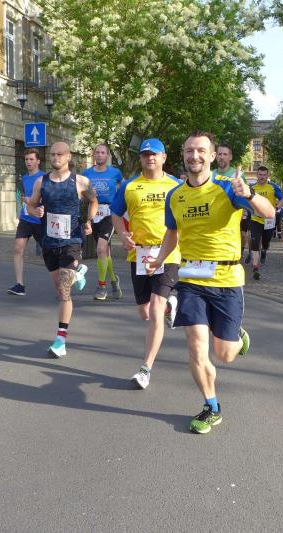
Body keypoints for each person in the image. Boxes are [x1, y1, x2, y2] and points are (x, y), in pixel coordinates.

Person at [145, 131, 275, 434]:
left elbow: (269, 213)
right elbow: (172, 232)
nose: (194, 156)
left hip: (226, 279)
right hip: (191, 279)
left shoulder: (228, 188)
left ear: (213, 156)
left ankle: (235, 335)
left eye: (201, 151)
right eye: (189, 150)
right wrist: (160, 258)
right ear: (183, 154)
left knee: (225, 354)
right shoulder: (175, 196)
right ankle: (211, 406)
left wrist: (249, 194)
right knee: (196, 346)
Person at [110, 138, 182, 390]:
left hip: (167, 252)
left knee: (155, 310)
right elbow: (115, 213)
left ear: (163, 158)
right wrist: (122, 234)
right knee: (145, 312)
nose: (150, 158)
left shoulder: (176, 185)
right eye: (145, 154)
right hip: (139, 254)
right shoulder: (130, 186)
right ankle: (171, 305)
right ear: (140, 158)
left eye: (154, 154)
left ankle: (145, 368)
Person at [27, 142, 97, 358]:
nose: (55, 157)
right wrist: (34, 211)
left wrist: (89, 220)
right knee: (59, 288)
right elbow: (31, 204)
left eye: (60, 154)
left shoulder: (81, 181)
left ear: (68, 157)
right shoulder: (41, 181)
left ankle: (60, 339)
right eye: (52, 154)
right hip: (49, 242)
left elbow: (94, 201)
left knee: (65, 289)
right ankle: (78, 274)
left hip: (72, 240)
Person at [82, 143, 124, 300]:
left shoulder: (115, 173)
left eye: (102, 152)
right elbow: (82, 196)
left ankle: (102, 287)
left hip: (109, 214)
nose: (99, 155)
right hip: (93, 213)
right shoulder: (86, 173)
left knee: (100, 249)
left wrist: (120, 206)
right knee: (105, 252)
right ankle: (113, 280)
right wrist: (87, 195)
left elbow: (125, 189)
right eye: (97, 152)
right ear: (94, 155)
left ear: (107, 156)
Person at [7, 149, 45, 296]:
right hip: (26, 219)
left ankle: (65, 277)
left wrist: (35, 203)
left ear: (38, 161)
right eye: (26, 159)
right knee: (18, 248)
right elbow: (23, 197)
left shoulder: (44, 178)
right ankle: (19, 285)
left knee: (50, 252)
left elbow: (48, 198)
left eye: (31, 159)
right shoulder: (23, 178)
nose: (28, 162)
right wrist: (20, 211)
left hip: (40, 221)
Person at [248, 166, 283, 280]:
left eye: (264, 175)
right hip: (255, 219)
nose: (262, 177)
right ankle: (255, 268)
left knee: (266, 241)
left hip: (269, 220)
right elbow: (246, 200)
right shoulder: (252, 188)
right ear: (257, 175)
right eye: (260, 174)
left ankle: (264, 250)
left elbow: (282, 199)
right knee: (255, 242)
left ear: (268, 176)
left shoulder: (273, 187)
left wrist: (277, 207)